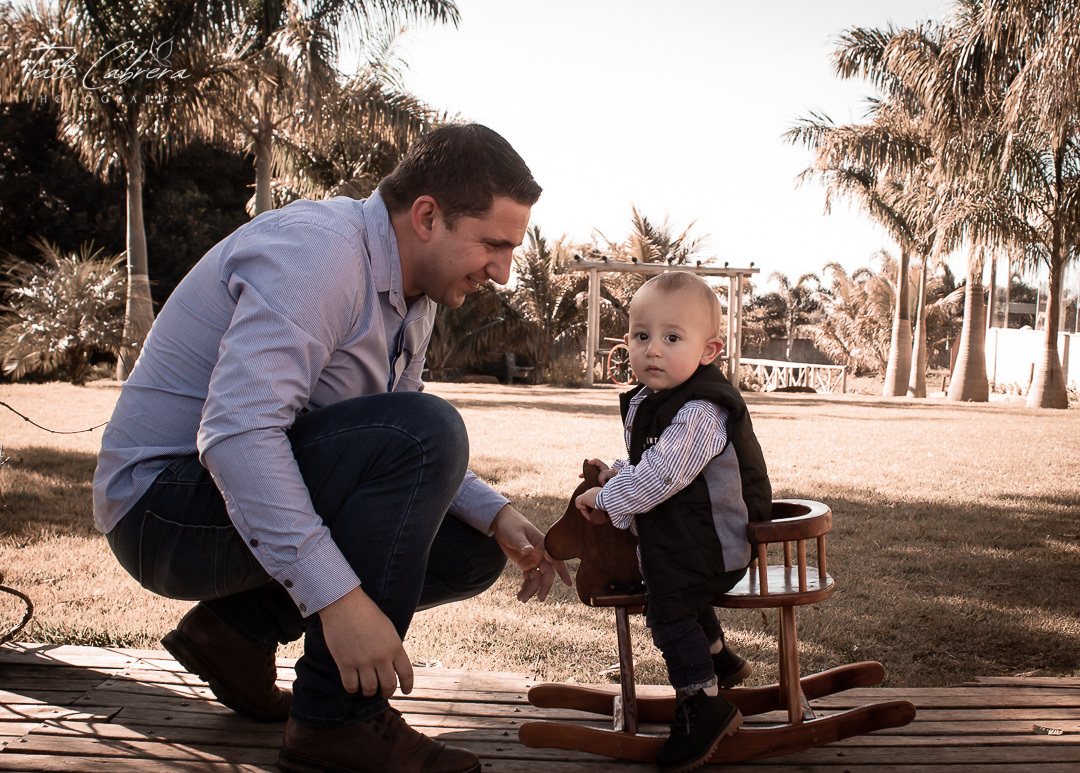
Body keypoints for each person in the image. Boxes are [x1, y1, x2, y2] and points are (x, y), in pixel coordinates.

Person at [93, 123, 570, 773]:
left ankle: (234, 633)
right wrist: (337, 599)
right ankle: (334, 721)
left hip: (213, 502)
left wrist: (495, 513)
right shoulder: (322, 255)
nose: (505, 272)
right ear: (427, 215)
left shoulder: (415, 293)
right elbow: (236, 435)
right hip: (160, 510)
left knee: (466, 549)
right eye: (494, 244)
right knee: (429, 428)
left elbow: (386, 444)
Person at [574, 271, 771, 773]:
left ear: (709, 352)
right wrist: (617, 473)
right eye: (642, 337)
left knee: (667, 607)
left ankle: (702, 703)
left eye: (671, 338)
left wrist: (608, 495)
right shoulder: (664, 400)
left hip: (715, 542)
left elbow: (663, 476)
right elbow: (658, 466)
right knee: (675, 586)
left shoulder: (702, 409)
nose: (653, 350)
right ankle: (721, 660)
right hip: (693, 536)